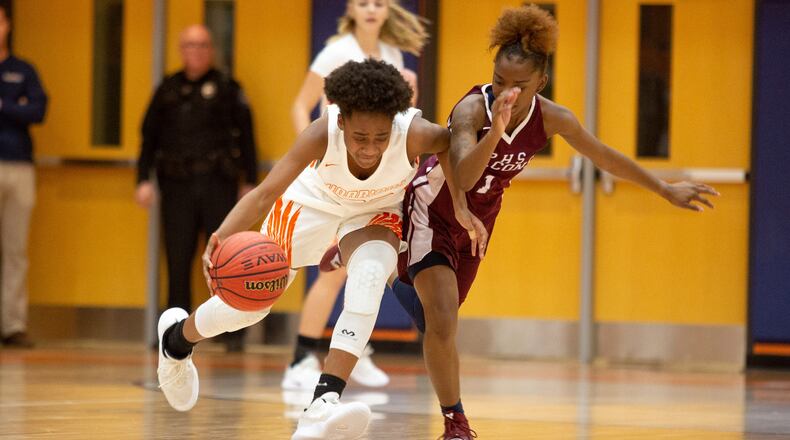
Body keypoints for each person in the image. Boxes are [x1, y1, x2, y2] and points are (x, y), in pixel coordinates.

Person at [382, 5, 720, 439]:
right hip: (434, 208)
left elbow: (604, 156)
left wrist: (664, 188)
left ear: (540, 83)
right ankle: (457, 424)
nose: (507, 91)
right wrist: (495, 126)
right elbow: (464, 177)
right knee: (444, 319)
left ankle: (389, 272)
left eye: (519, 86)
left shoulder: (554, 118)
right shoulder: (471, 110)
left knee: (434, 322)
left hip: (481, 219)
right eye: (500, 80)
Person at [154, 60, 464, 440]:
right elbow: (265, 193)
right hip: (312, 204)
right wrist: (220, 236)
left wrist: (463, 207)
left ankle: (323, 403)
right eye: (360, 137)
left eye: (380, 138)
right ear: (341, 122)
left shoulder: (416, 133)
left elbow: (452, 144)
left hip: (375, 211)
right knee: (252, 305)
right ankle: (176, 341)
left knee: (368, 276)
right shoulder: (322, 133)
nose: (370, 149)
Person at [284, 0, 428, 390]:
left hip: (373, 178)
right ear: (352, 8)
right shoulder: (337, 50)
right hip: (333, 175)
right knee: (331, 273)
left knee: (367, 270)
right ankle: (301, 358)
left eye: (378, 3)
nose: (371, 9)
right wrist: (312, 153)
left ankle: (354, 351)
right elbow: (301, 104)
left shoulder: (391, 54)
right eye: (363, 2)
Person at [135, 25, 257, 352]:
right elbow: (148, 138)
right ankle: (174, 329)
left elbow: (247, 136)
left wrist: (249, 181)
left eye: (203, 45)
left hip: (219, 183)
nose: (197, 51)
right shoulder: (168, 89)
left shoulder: (228, 88)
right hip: (177, 186)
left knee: (224, 258)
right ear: (181, 49)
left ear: (212, 49)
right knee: (178, 258)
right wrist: (143, 180)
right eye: (191, 45)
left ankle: (231, 330)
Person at [0, 3, 48, 348]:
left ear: (7, 25)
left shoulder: (23, 70)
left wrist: (6, 107)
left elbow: (37, 109)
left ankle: (13, 324)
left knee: (15, 249)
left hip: (18, 165)